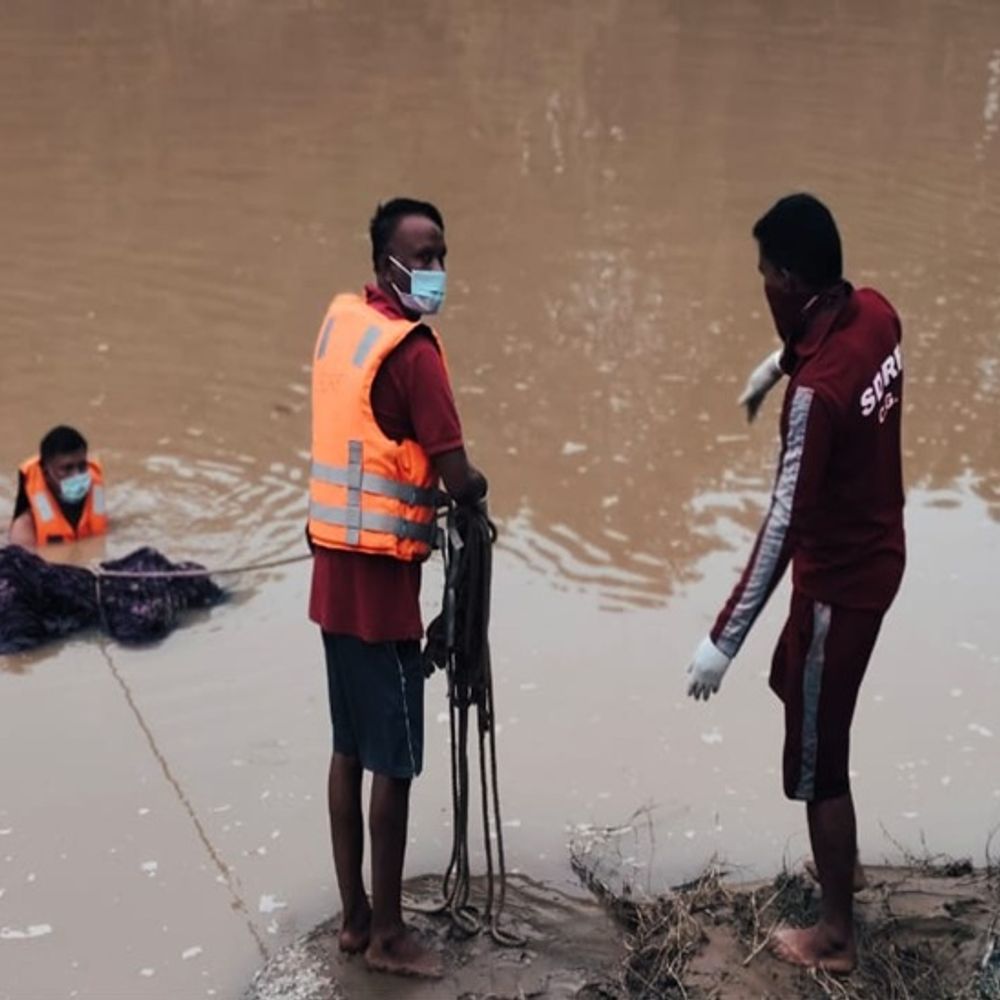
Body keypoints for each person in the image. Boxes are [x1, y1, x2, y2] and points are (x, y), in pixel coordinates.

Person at [685, 193, 905, 973]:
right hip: (883, 556)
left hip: (837, 584)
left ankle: (835, 935)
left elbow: (782, 525)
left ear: (788, 282)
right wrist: (776, 365)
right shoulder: (876, 314)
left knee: (818, 763)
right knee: (800, 689)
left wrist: (721, 640)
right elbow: (830, 342)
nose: (760, 289)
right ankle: (835, 851)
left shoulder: (816, 401)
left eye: (763, 277)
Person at [308, 197, 487, 979]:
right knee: (398, 761)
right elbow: (457, 474)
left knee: (349, 748)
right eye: (423, 256)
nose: (436, 270)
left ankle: (353, 919)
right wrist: (475, 492)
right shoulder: (413, 354)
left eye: (443, 254)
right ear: (387, 263)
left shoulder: (345, 325)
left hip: (330, 575)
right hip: (382, 589)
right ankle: (388, 936)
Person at [8, 425, 107, 547]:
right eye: (67, 468)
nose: (77, 475)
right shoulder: (24, 529)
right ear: (46, 473)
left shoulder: (96, 502)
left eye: (82, 466)